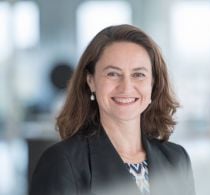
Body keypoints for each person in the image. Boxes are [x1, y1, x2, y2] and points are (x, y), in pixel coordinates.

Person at [29, 24, 195, 195]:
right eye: (113, 74)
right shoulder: (61, 162)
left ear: (153, 84)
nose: (126, 87)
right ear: (91, 81)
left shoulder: (177, 159)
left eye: (138, 74)